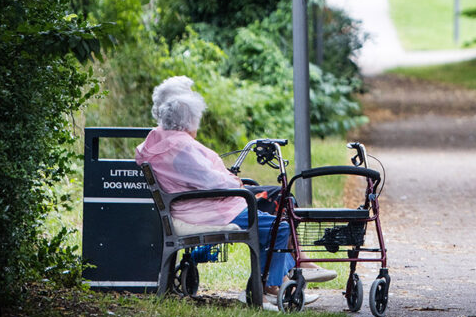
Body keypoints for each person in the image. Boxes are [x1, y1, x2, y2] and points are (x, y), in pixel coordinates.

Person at [136, 78, 333, 303]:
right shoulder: (182, 149)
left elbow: (201, 178)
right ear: (189, 120)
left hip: (198, 206)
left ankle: (278, 281)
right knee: (280, 227)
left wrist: (232, 183)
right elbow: (212, 182)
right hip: (208, 211)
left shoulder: (160, 141)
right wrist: (236, 184)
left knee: (274, 220)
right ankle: (267, 287)